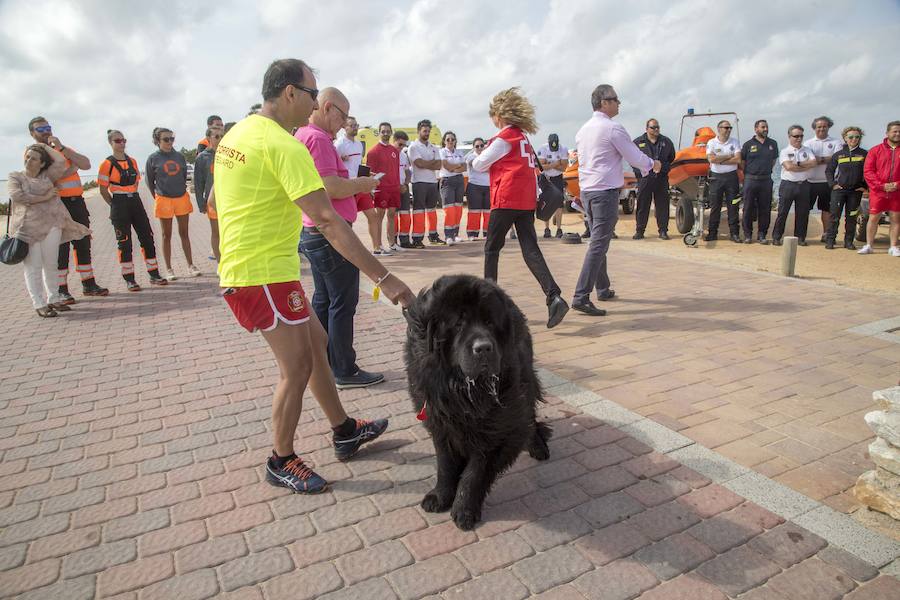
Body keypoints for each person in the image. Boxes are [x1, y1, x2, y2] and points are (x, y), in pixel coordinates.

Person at [215, 58, 414, 493]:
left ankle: (344, 429)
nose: (313, 103)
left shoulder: (238, 133)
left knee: (318, 342)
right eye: (311, 93)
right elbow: (326, 219)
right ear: (290, 92)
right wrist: (385, 279)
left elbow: (218, 199)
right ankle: (280, 459)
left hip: (266, 270)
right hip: (259, 275)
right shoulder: (284, 146)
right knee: (297, 365)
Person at [296, 87, 387, 390]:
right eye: (343, 115)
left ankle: (324, 361)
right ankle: (344, 369)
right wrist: (362, 183)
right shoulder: (319, 138)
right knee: (343, 302)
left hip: (314, 232)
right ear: (328, 107)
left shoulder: (306, 136)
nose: (345, 122)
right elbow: (330, 186)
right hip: (330, 233)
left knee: (325, 299)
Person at [471, 87, 569, 329]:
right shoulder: (523, 138)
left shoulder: (504, 139)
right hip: (525, 200)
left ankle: (488, 305)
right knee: (530, 249)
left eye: (493, 115)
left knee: (492, 249)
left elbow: (479, 164)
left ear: (500, 116)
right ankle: (553, 295)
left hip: (505, 199)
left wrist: (479, 153)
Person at [572, 84, 659, 316]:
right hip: (604, 193)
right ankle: (581, 296)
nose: (619, 103)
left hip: (587, 192)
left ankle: (603, 287)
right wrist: (653, 164)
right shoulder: (612, 128)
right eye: (615, 99)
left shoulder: (583, 130)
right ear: (604, 103)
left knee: (599, 241)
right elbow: (634, 156)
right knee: (599, 243)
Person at [27, 117, 107, 302]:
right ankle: (61, 289)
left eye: (48, 127)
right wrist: (69, 170)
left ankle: (88, 283)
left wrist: (62, 149)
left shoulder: (62, 149)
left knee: (83, 240)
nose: (46, 131)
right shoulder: (34, 153)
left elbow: (85, 164)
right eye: (41, 129)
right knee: (60, 247)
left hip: (76, 202)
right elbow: (40, 179)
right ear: (32, 134)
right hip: (55, 204)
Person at [8, 144, 91, 317]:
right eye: (28, 157)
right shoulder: (15, 177)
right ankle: (39, 303)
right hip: (28, 229)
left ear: (42, 164)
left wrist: (43, 144)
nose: (29, 160)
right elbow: (18, 196)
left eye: (34, 158)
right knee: (33, 266)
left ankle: (54, 299)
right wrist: (44, 197)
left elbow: (60, 160)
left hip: (52, 226)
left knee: (51, 265)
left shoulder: (47, 176)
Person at [97, 130, 168, 290]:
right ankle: (129, 279)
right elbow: (103, 189)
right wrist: (114, 205)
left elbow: (136, 182)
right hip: (119, 203)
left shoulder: (133, 162)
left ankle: (154, 274)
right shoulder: (106, 164)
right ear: (111, 143)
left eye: (123, 140)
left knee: (147, 237)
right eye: (117, 141)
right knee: (124, 243)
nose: (121, 143)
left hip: (135, 201)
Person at [146, 127, 200, 279]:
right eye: (166, 139)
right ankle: (169, 269)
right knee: (166, 235)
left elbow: (183, 176)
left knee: (184, 233)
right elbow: (150, 181)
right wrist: (158, 197)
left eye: (172, 138)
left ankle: (191, 265)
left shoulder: (179, 157)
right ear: (157, 141)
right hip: (164, 199)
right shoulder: (152, 158)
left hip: (181, 198)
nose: (169, 142)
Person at [335, 116, 382, 253]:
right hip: (348, 187)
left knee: (372, 216)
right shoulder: (339, 144)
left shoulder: (358, 144)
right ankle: (345, 250)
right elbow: (335, 166)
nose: (355, 128)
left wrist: (367, 174)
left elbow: (357, 165)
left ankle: (377, 249)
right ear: (345, 127)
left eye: (356, 125)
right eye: (352, 125)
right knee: (347, 220)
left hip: (361, 185)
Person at [772, 125, 817, 246]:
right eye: (796, 136)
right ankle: (776, 237)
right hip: (788, 185)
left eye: (801, 136)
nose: (799, 138)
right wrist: (803, 165)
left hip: (804, 185)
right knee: (782, 213)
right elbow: (788, 167)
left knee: (803, 213)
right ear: (789, 136)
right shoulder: (785, 151)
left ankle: (800, 238)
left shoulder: (807, 150)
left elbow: (814, 163)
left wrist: (797, 164)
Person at [824, 127, 867, 250]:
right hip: (839, 191)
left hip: (855, 192)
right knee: (834, 216)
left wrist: (865, 187)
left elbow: (869, 171)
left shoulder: (864, 154)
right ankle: (830, 240)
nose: (854, 139)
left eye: (857, 137)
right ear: (845, 138)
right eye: (851, 137)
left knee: (852, 217)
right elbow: (829, 171)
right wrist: (832, 184)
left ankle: (848, 242)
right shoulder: (838, 155)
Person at [861, 121, 900, 256]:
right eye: (894, 131)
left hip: (897, 192)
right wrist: (881, 186)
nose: (897, 134)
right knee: (873, 218)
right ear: (887, 133)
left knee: (895, 218)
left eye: (899, 131)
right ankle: (869, 245)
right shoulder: (875, 150)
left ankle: (893, 246)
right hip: (878, 191)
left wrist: (897, 185)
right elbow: (868, 171)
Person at [632, 119, 675, 240]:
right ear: (647, 129)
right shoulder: (637, 142)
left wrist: (663, 167)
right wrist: (640, 174)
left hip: (661, 179)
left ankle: (663, 231)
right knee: (642, 205)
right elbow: (632, 160)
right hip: (645, 179)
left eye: (658, 127)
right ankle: (640, 231)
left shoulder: (666, 142)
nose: (656, 129)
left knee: (662, 205)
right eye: (653, 127)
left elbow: (671, 158)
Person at [364, 122, 402, 254]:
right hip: (381, 189)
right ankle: (378, 245)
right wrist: (372, 190)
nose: (385, 133)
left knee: (392, 215)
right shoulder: (373, 152)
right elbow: (371, 173)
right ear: (379, 133)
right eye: (383, 131)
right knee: (379, 216)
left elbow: (396, 170)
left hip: (394, 188)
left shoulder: (394, 151)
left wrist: (399, 184)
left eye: (388, 131)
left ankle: (392, 243)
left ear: (391, 132)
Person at [740, 119, 779, 244]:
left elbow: (773, 161)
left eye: (766, 127)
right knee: (748, 208)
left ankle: (762, 234)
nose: (765, 129)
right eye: (763, 127)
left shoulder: (773, 143)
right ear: (756, 129)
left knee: (765, 208)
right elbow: (742, 162)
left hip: (766, 180)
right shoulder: (748, 144)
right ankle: (747, 234)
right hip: (750, 180)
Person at [408, 119, 444, 246]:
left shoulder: (434, 147)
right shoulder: (413, 147)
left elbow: (439, 165)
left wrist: (426, 163)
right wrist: (431, 163)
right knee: (418, 211)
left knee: (432, 210)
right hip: (419, 183)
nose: (427, 133)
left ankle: (433, 236)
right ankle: (417, 239)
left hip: (432, 182)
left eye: (428, 131)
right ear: (419, 131)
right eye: (424, 131)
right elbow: (419, 164)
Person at [705, 120, 742, 242]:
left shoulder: (735, 142)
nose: (728, 130)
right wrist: (728, 156)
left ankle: (734, 234)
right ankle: (712, 233)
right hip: (716, 177)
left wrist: (719, 159)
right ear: (719, 128)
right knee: (715, 206)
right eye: (726, 128)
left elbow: (737, 159)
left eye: (730, 128)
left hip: (731, 177)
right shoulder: (712, 143)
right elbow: (711, 158)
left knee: (733, 206)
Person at [806, 116, 841, 243]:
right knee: (805, 209)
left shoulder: (836, 142)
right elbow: (809, 160)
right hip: (810, 181)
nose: (822, 129)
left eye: (824, 126)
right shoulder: (808, 143)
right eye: (819, 126)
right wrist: (826, 159)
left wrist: (817, 159)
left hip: (828, 182)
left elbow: (836, 158)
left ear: (828, 127)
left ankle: (826, 234)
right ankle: (802, 233)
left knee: (827, 210)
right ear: (814, 128)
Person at [194, 127, 223, 260]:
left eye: (222, 136)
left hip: (229, 200)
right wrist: (201, 204)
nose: (220, 139)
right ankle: (219, 262)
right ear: (209, 138)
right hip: (213, 201)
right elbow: (198, 183)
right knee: (216, 232)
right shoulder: (202, 157)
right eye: (216, 136)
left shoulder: (228, 154)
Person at [537, 133, 569, 238]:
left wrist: (549, 165)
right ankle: (547, 228)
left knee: (559, 204)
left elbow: (564, 168)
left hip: (557, 178)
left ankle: (559, 229)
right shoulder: (543, 148)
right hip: (545, 178)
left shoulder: (563, 149)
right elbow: (541, 167)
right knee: (547, 203)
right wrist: (556, 164)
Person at [439, 131, 467, 244]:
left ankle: (455, 234)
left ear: (455, 141)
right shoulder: (441, 152)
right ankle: (448, 236)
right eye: (448, 139)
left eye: (452, 139)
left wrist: (455, 168)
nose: (450, 141)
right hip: (447, 181)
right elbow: (446, 166)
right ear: (444, 141)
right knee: (449, 209)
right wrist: (457, 166)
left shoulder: (459, 151)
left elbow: (464, 167)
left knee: (458, 208)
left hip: (459, 180)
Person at [465, 137, 490, 239]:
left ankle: (487, 233)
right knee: (474, 211)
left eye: (481, 146)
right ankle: (472, 233)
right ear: (473, 148)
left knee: (488, 212)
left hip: (488, 186)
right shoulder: (470, 157)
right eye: (477, 146)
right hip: (474, 186)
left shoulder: (488, 156)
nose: (479, 148)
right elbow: (478, 166)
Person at [393, 130, 413, 248]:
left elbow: (407, 171)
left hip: (404, 189)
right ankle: (393, 241)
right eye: (400, 144)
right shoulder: (389, 153)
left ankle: (405, 240)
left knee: (405, 214)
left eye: (404, 145)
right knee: (393, 216)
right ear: (394, 141)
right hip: (393, 189)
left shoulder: (404, 155)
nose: (402, 147)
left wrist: (405, 184)